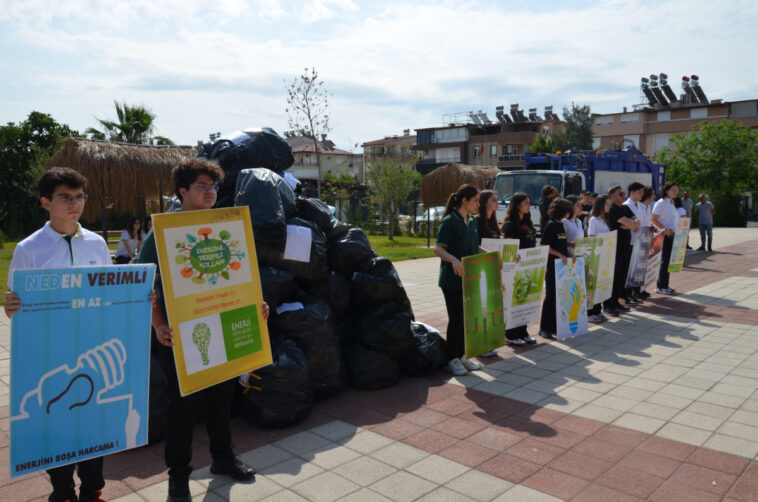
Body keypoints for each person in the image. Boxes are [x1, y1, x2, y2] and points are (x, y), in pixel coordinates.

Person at [137, 158, 265, 502]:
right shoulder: (162, 231)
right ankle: (178, 477)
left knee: (221, 398)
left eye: (213, 186)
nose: (210, 192)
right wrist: (159, 325)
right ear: (183, 192)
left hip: (220, 325)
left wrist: (256, 305)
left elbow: (242, 273)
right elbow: (143, 282)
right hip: (178, 335)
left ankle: (223, 458)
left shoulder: (226, 224)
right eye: (202, 187)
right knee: (182, 407)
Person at [4, 168, 112, 502]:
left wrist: (140, 299)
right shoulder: (28, 249)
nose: (74, 203)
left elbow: (110, 293)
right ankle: (62, 490)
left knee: (93, 420)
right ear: (46, 202)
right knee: (56, 419)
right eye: (65, 196)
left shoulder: (96, 243)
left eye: (79, 196)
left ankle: (93, 490)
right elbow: (15, 305)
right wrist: (12, 306)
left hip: (91, 344)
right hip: (50, 353)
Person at [434, 184, 485, 376]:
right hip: (452, 281)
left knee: (466, 319)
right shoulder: (449, 221)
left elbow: (475, 248)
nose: (478, 204)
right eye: (475, 201)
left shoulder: (472, 221)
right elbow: (438, 248)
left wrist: (493, 256)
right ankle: (452, 358)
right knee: (456, 319)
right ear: (464, 201)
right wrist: (454, 260)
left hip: (469, 279)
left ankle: (463, 355)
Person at [501, 192, 538, 345]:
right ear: (517, 205)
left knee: (524, 299)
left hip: (528, 266)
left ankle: (523, 331)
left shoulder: (528, 222)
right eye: (525, 203)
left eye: (529, 202)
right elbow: (508, 246)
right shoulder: (510, 224)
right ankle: (510, 333)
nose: (528, 206)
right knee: (514, 299)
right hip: (516, 267)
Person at [538, 198, 574, 339]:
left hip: (561, 267)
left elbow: (560, 244)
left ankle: (553, 326)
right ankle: (544, 328)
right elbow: (544, 246)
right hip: (552, 266)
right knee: (550, 297)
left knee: (558, 297)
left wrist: (570, 249)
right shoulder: (551, 225)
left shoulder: (561, 225)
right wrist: (559, 254)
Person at [603, 185, 640, 316]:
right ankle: (609, 305)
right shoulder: (613, 209)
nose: (624, 196)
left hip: (626, 245)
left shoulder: (624, 207)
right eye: (620, 194)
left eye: (624, 193)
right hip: (615, 247)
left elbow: (636, 220)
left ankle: (617, 302)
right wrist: (630, 224)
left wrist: (630, 224)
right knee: (614, 276)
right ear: (612, 197)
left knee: (622, 276)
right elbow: (631, 223)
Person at [475, 189, 501, 357]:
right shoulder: (477, 221)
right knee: (482, 306)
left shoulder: (494, 221)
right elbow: (474, 245)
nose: (497, 202)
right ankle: (480, 343)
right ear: (485, 202)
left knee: (491, 306)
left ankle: (488, 340)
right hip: (481, 269)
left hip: (493, 267)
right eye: (493, 200)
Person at [651, 181, 679, 295]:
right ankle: (660, 286)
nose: (675, 192)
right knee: (664, 261)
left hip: (672, 235)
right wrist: (665, 229)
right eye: (673, 190)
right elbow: (653, 219)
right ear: (666, 190)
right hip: (664, 235)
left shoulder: (671, 203)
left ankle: (665, 284)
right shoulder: (661, 203)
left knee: (668, 261)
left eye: (677, 190)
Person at [587, 194, 611, 322]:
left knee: (600, 285)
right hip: (595, 256)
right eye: (607, 204)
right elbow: (591, 237)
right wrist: (599, 242)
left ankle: (598, 310)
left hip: (604, 256)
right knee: (593, 285)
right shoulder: (594, 220)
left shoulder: (603, 220)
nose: (609, 206)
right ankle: (590, 312)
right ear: (601, 205)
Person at [622, 182, 645, 304]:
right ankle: (626, 294)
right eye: (639, 192)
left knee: (634, 269)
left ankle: (631, 293)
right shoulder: (626, 205)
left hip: (639, 240)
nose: (642, 194)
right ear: (632, 192)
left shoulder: (640, 205)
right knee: (628, 270)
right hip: (630, 240)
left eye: (642, 192)